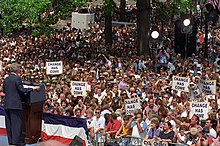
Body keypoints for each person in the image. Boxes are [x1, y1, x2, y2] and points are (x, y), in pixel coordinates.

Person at [3, 63, 40, 146]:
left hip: (7, 104)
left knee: (9, 124)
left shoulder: (6, 79)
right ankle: (17, 142)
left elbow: (5, 91)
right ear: (17, 70)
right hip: (15, 105)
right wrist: (33, 88)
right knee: (16, 123)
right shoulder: (17, 78)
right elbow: (22, 90)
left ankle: (11, 141)